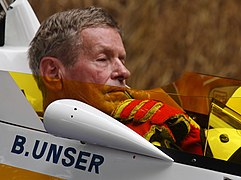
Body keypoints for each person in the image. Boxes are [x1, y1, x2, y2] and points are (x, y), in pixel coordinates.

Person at [28, 6, 204, 155]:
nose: (124, 72)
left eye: (122, 59)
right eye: (103, 59)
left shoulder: (158, 129)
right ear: (52, 73)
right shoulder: (15, 141)